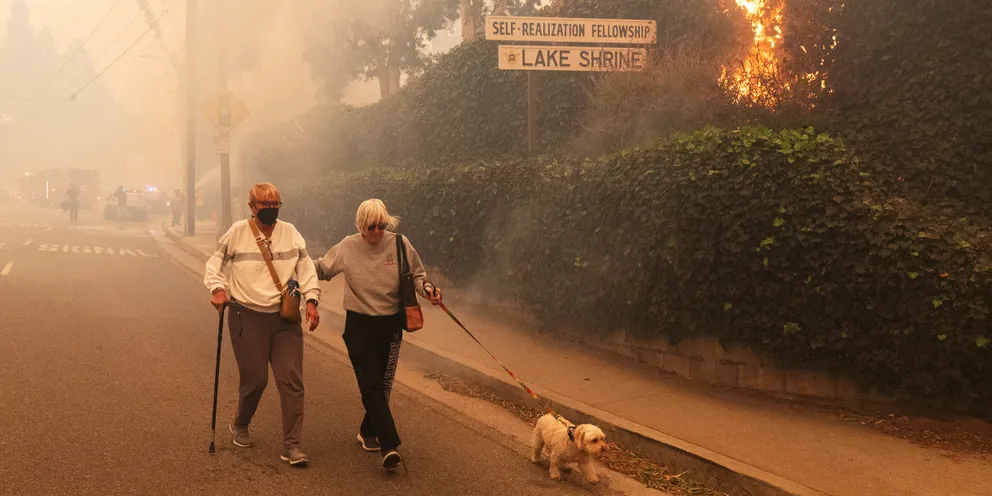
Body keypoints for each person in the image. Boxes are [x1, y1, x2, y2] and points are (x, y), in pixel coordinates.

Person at [315, 199, 442, 471]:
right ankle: (389, 445)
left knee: (383, 387)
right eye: (370, 227)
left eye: (381, 226)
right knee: (371, 385)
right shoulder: (348, 246)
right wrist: (292, 266)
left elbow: (418, 276)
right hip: (359, 326)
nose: (376, 232)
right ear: (360, 225)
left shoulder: (399, 243)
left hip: (391, 325)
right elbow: (321, 269)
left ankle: (367, 431)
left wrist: (428, 289)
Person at [203, 182, 322, 467]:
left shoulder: (291, 233)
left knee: (291, 381)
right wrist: (218, 288)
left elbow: (305, 270)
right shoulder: (238, 232)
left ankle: (292, 445)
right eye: (264, 206)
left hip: (284, 318)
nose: (271, 210)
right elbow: (214, 264)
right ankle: (240, 424)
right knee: (256, 380)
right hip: (247, 315)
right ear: (252, 207)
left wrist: (312, 300)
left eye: (275, 205)